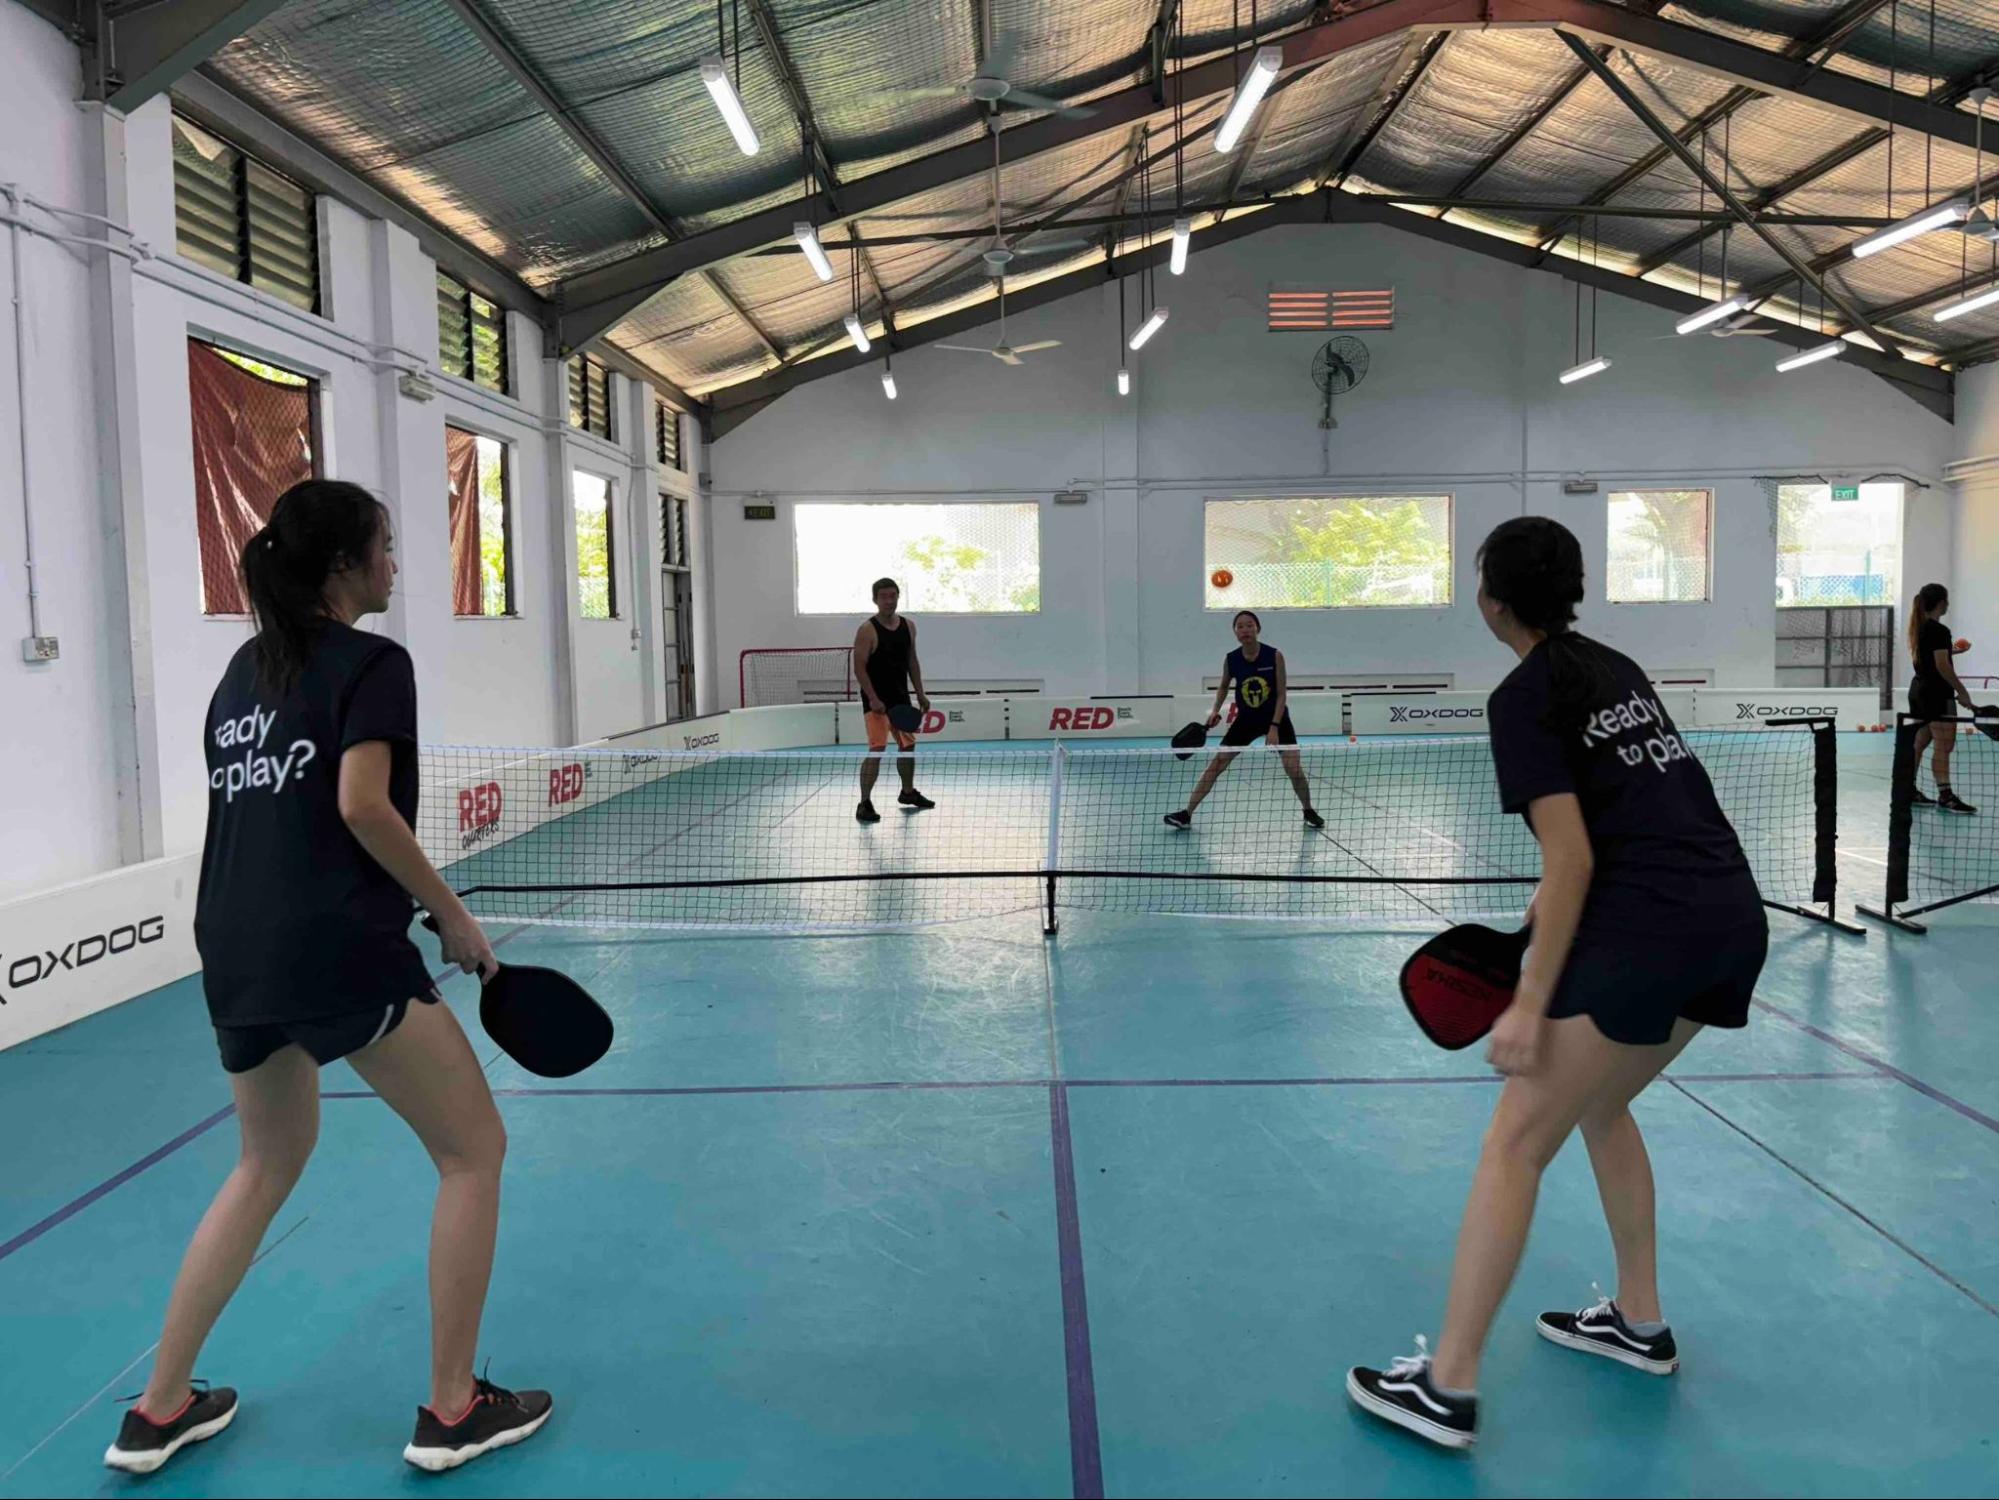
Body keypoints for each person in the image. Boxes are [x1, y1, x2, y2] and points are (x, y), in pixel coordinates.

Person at [105, 481, 551, 1477]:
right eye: (387, 546)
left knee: (265, 1164)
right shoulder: (372, 663)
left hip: (234, 947)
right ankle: (451, 1409)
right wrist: (452, 913)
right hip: (335, 946)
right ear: (346, 563)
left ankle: (158, 1407)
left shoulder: (242, 670)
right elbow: (361, 806)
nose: (395, 564)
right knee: (473, 1150)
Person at [1347, 516, 1768, 1451]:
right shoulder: (1611, 665)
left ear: (1489, 598)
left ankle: (1446, 1384)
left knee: (1513, 1143)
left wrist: (1530, 1003)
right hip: (1729, 920)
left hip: (1647, 931)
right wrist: (1546, 901)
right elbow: (1624, 808)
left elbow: (1573, 852)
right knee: (1600, 1106)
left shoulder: (1521, 696)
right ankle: (1638, 1319)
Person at [1163, 610, 1322, 830]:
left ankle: (1308, 810)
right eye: (1240, 626)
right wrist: (1215, 710)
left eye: (1249, 625)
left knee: (1293, 768)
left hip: (1277, 719)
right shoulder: (1232, 659)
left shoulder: (1274, 655)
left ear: (1258, 628)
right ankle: (1186, 814)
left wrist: (1274, 727)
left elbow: (1282, 693)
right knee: (1216, 764)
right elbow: (1223, 686)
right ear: (1235, 632)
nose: (1245, 630)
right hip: (1246, 720)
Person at [853, 576, 934, 823]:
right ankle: (864, 803)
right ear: (875, 600)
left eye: (892, 595)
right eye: (883, 596)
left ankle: (908, 793)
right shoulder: (867, 630)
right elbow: (859, 668)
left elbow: (912, 661)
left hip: (901, 700)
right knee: (877, 749)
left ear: (898, 597)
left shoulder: (909, 626)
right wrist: (873, 698)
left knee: (908, 747)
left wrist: (920, 692)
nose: (889, 600)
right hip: (876, 703)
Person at [1905, 582, 1977, 814]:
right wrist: (1962, 691)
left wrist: (1954, 649)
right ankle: (1946, 796)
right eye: (1946, 600)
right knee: (1944, 745)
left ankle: (1907, 789)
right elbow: (1942, 665)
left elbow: (1933, 655)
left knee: (1921, 741)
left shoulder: (1921, 627)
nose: (1948, 604)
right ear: (1940, 603)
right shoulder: (1938, 630)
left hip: (1919, 691)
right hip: (1937, 694)